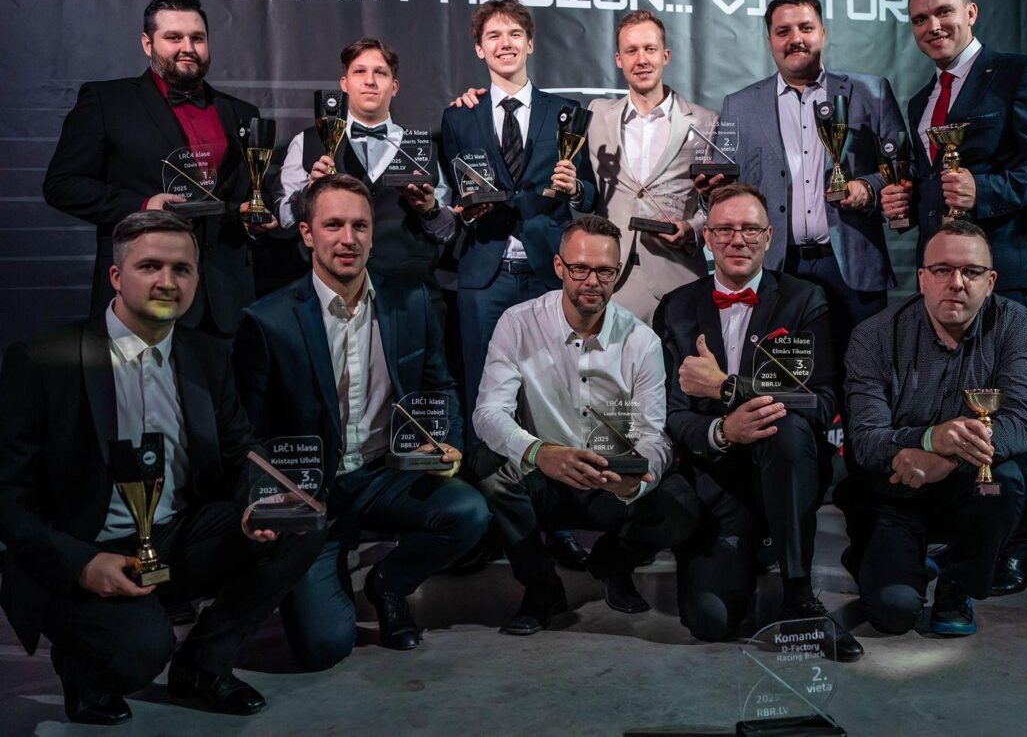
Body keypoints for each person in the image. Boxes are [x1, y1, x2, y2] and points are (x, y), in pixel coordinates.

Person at [0, 211, 323, 724]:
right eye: (150, 266)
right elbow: (8, 495)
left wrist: (259, 501)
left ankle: (203, 665)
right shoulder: (43, 359)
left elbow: (241, 448)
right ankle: (83, 668)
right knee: (139, 653)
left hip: (172, 533)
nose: (167, 282)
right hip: (84, 545)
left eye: (182, 269)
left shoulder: (206, 355)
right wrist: (82, 563)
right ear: (116, 276)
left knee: (299, 523)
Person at [233, 174, 489, 667]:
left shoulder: (410, 300)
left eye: (359, 226)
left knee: (469, 512)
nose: (347, 239)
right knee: (323, 648)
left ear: (373, 234)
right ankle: (318, 574)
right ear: (307, 233)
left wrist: (449, 441)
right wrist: (262, 500)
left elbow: (440, 385)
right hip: (313, 492)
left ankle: (388, 584)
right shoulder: (268, 320)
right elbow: (247, 430)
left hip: (384, 474)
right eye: (333, 225)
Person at [883, 0, 1027, 595]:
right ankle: (972, 532)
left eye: (942, 13)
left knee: (1011, 407)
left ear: (970, 11)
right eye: (919, 19)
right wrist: (905, 205)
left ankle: (1018, 547)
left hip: (1008, 277)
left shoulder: (1019, 73)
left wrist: (985, 191)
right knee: (955, 404)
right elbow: (936, 187)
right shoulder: (922, 100)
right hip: (944, 279)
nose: (932, 26)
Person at [654, 182, 859, 658]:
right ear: (708, 238)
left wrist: (727, 389)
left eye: (749, 229)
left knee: (787, 428)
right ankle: (748, 549)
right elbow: (670, 413)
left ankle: (799, 593)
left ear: (769, 237)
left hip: (787, 469)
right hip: (716, 479)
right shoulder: (677, 307)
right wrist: (723, 430)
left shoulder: (805, 300)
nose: (737, 240)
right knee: (711, 622)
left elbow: (821, 401)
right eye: (724, 229)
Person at [474, 215, 698, 636]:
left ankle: (612, 563)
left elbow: (653, 434)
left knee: (681, 506)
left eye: (604, 271)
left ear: (618, 272)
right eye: (580, 269)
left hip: (612, 477)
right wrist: (540, 452)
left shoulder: (642, 341)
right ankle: (541, 587)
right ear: (559, 267)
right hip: (545, 472)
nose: (592, 281)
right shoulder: (518, 323)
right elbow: (488, 412)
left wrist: (635, 480)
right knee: (489, 467)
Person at [837, 221, 1027, 637]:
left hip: (967, 488)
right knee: (893, 614)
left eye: (972, 271)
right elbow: (865, 440)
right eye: (943, 270)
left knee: (1003, 482)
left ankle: (956, 583)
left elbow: (1021, 421)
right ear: (922, 278)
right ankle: (873, 557)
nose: (957, 283)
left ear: (991, 281)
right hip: (895, 491)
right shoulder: (873, 336)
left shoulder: (1013, 323)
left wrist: (946, 457)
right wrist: (930, 438)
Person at [43, 0, 273, 339]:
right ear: (147, 44)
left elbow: (252, 191)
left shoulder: (242, 112)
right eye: (174, 37)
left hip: (226, 301)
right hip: (142, 292)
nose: (188, 48)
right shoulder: (107, 101)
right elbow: (62, 184)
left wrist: (252, 219)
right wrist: (143, 207)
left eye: (197, 38)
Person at [704, 0, 905, 345]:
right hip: (777, 267)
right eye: (783, 31)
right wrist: (709, 192)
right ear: (769, 41)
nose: (795, 39)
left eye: (805, 28)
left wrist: (868, 188)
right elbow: (723, 190)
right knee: (783, 374)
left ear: (823, 33)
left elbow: (903, 166)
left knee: (864, 371)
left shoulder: (870, 92)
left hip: (852, 266)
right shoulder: (739, 106)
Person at [440, 0, 597, 443]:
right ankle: (487, 476)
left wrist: (576, 188)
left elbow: (590, 192)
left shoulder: (565, 111)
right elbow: (454, 192)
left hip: (549, 272)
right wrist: (464, 209)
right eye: (493, 35)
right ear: (479, 49)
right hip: (484, 275)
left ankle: (556, 475)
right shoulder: (459, 115)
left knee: (555, 390)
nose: (504, 43)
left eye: (514, 34)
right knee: (483, 389)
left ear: (530, 43)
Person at [276, 38, 456, 292]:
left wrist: (429, 210)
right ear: (344, 84)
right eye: (359, 71)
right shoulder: (307, 142)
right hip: (330, 291)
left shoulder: (423, 146)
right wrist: (308, 193)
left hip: (408, 292)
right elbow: (281, 221)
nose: (369, 81)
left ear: (394, 87)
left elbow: (447, 232)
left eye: (380, 72)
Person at [585, 9, 712, 324]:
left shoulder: (705, 122)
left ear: (665, 56)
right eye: (631, 51)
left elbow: (718, 202)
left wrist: (692, 229)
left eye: (649, 49)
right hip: (613, 279)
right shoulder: (596, 115)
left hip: (679, 277)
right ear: (619, 60)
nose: (641, 59)